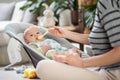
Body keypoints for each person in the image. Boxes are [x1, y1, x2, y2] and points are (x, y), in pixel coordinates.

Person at [36, 0, 120, 80]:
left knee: (42, 66)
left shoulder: (108, 2)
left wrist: (82, 63)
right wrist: (67, 34)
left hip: (113, 74)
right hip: (105, 68)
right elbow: (103, 39)